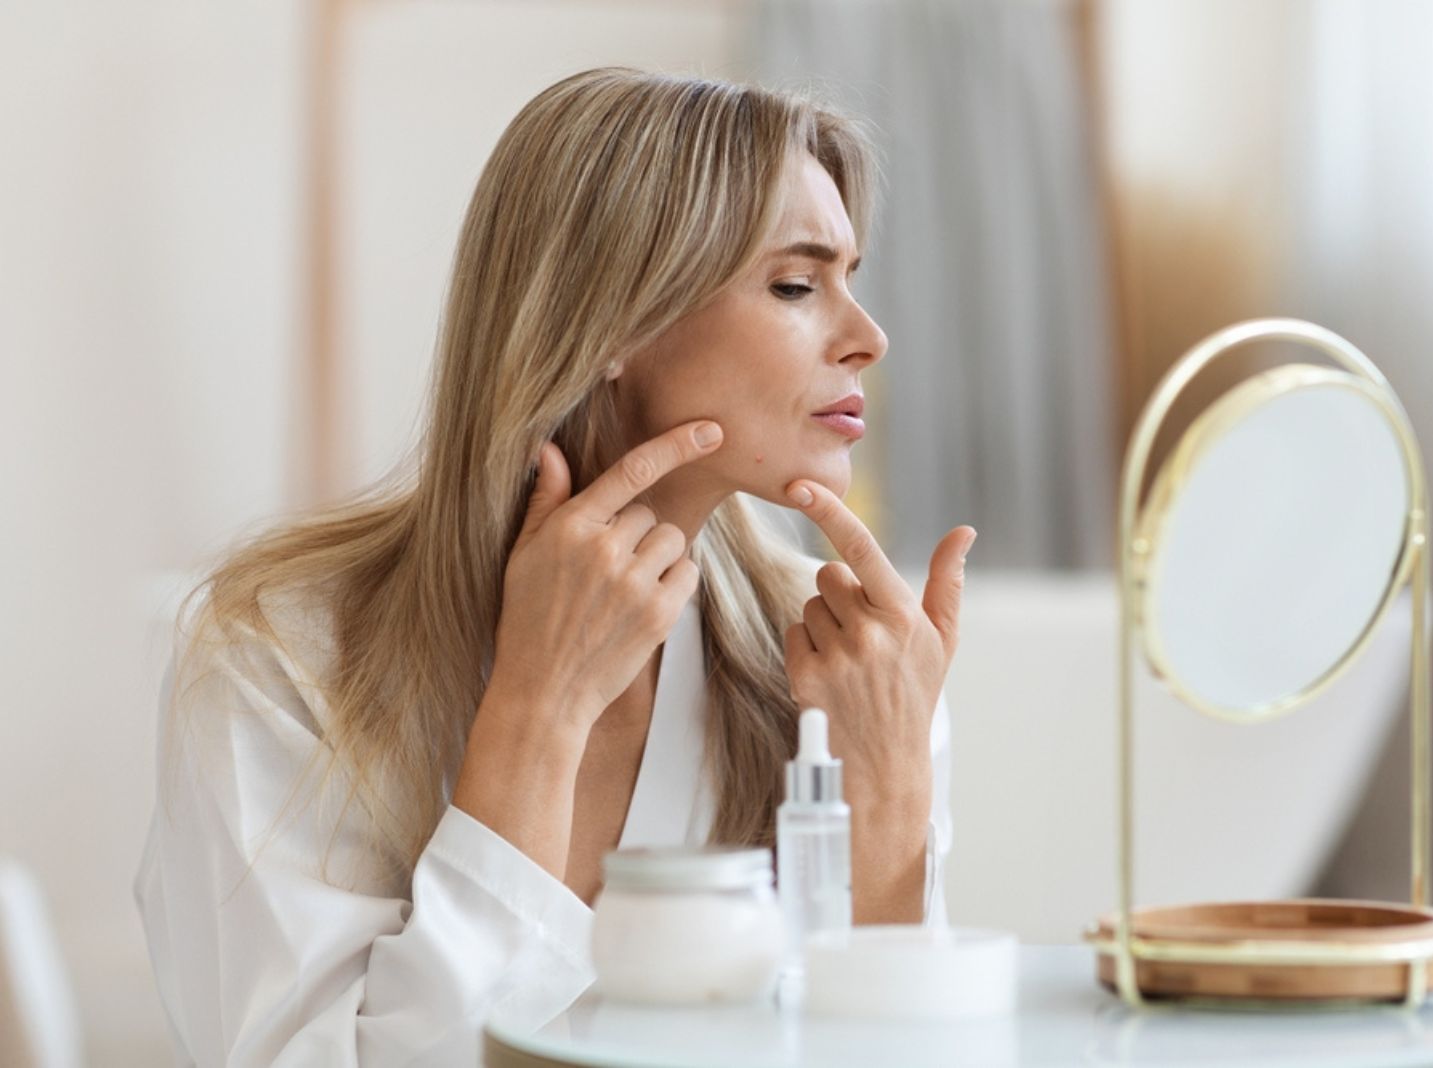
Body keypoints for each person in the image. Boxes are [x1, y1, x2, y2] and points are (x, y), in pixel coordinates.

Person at [134, 66, 975, 1065]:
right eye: (795, 284)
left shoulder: (839, 661)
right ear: (614, 318)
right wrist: (535, 714)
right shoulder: (283, 653)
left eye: (852, 276)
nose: (868, 337)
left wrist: (889, 794)